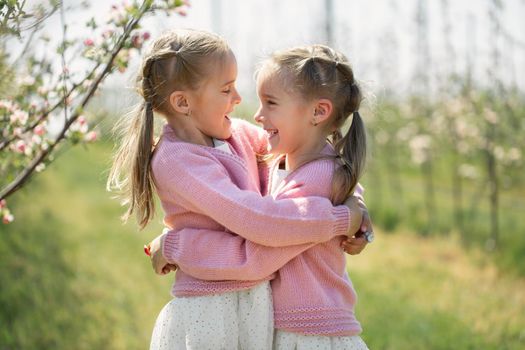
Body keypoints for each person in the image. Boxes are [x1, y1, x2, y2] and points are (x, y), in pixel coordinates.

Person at [108, 28, 370, 349]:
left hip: (253, 304)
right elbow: (262, 222)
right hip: (213, 308)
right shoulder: (179, 161)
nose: (238, 99)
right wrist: (341, 219)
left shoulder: (238, 136)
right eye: (226, 88)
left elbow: (310, 158)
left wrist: (354, 207)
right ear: (183, 102)